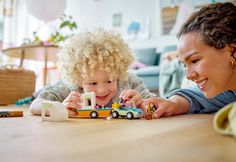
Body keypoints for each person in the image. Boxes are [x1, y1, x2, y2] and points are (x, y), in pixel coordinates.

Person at [30, 28, 154, 117]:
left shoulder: (129, 82)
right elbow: (35, 105)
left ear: (119, 73)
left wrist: (142, 103)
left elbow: (153, 105)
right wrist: (59, 108)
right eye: (93, 83)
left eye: (110, 81)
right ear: (78, 79)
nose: (101, 90)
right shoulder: (70, 88)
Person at [145, 2, 236, 118]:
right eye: (184, 65)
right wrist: (173, 103)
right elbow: (201, 97)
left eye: (194, 60)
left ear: (232, 52)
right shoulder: (228, 89)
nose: (188, 76)